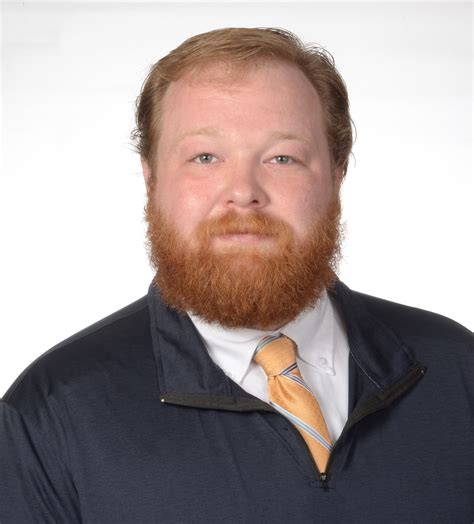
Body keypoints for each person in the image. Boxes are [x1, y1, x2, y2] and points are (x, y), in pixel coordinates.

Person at [0, 27, 472, 523]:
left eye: (282, 158)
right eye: (205, 157)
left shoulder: (459, 369)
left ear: (337, 174)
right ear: (151, 177)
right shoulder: (50, 413)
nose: (244, 193)